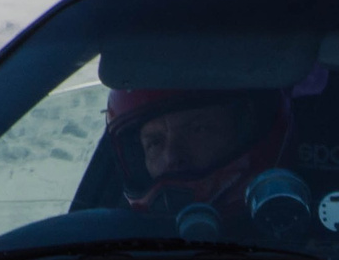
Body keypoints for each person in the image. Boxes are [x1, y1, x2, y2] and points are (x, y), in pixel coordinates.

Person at [103, 86, 310, 243]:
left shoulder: (323, 242)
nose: (171, 157)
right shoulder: (116, 247)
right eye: (155, 142)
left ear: (246, 133)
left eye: (197, 130)